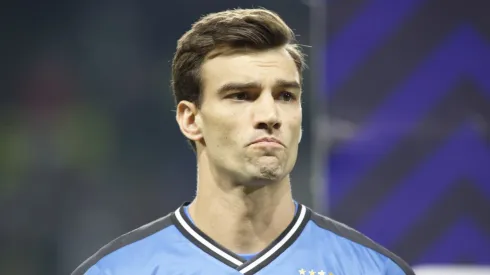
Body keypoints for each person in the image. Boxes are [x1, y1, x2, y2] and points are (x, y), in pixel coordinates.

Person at [72, 8, 415, 275]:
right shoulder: (120, 270)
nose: (270, 114)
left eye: (285, 95)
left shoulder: (371, 269)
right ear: (191, 119)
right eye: (241, 95)